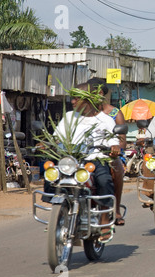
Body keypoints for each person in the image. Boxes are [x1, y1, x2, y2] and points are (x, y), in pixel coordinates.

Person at [53, 82, 121, 243]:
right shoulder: (69, 117)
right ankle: (58, 214)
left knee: (104, 180)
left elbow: (114, 140)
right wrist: (48, 143)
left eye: (77, 98)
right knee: (52, 177)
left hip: (95, 160)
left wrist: (114, 146)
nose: (73, 101)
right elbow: (58, 137)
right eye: (72, 98)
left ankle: (105, 218)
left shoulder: (104, 120)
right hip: (72, 161)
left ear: (88, 99)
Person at [87, 78, 127, 226]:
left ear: (101, 93)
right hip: (86, 154)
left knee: (116, 167)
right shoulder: (82, 114)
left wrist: (115, 149)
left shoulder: (114, 113)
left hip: (108, 155)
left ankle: (116, 209)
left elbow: (122, 140)